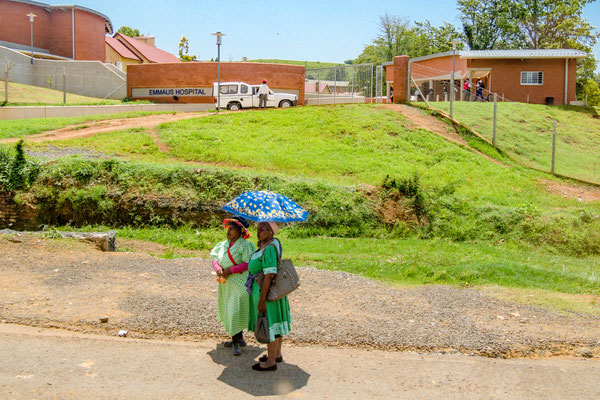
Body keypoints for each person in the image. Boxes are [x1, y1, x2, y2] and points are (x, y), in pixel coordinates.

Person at [247, 221, 291, 371]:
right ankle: (276, 355)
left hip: (266, 293)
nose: (260, 231)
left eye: (265, 229)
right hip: (272, 293)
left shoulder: (270, 248)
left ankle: (270, 362)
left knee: (269, 324)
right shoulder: (267, 245)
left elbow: (269, 275)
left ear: (272, 231)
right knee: (276, 323)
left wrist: (262, 300)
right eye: (259, 229)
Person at [210, 216, 256, 356]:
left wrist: (231, 270)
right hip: (226, 283)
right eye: (228, 228)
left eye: (233, 229)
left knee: (235, 310)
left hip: (239, 283)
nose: (229, 231)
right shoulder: (223, 244)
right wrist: (218, 267)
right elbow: (215, 258)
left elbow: (248, 263)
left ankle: (235, 342)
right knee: (231, 309)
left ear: (241, 231)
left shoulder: (245, 245)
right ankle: (239, 338)